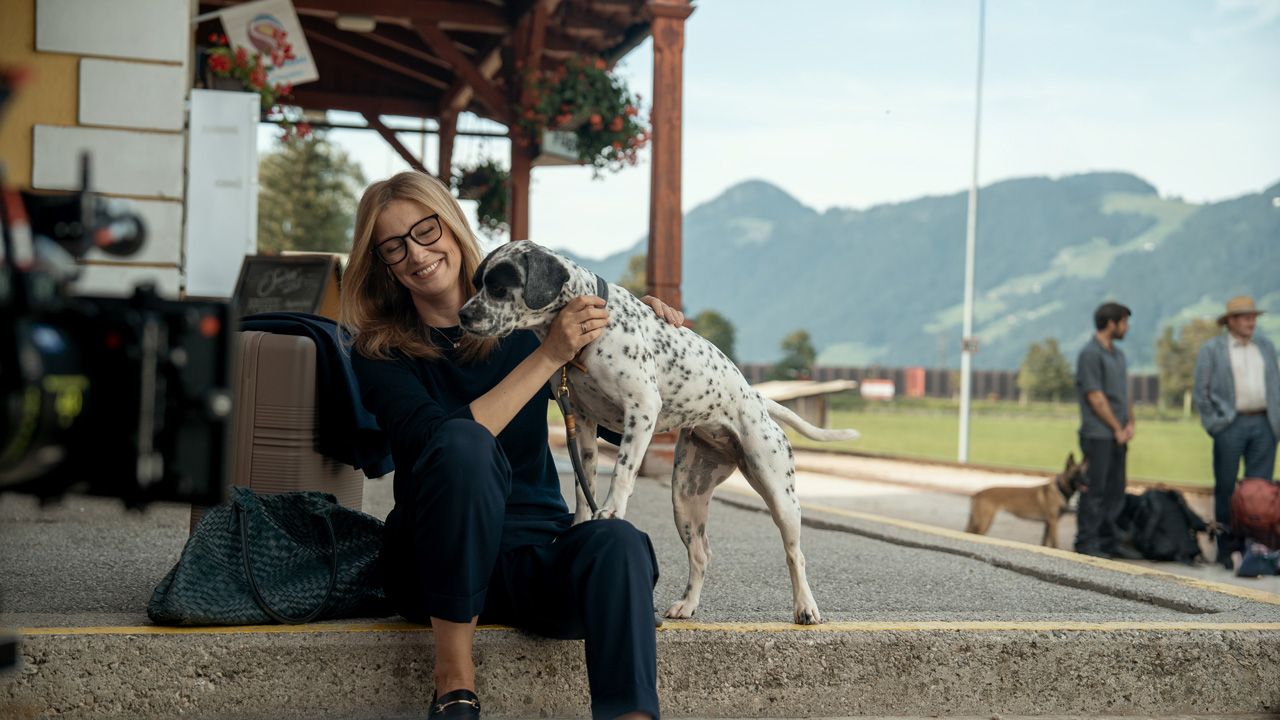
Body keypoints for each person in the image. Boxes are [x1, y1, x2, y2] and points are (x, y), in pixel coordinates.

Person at [340, 171, 683, 719]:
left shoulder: (531, 325)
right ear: (381, 262)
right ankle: (454, 682)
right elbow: (440, 447)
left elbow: (624, 427)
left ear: (452, 228)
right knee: (463, 444)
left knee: (617, 542)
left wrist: (644, 346)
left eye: (426, 230)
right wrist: (547, 356)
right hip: (432, 566)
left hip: (533, 558)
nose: (416, 253)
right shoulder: (377, 352)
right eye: (394, 246)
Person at [1193, 295, 1280, 570]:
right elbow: (1201, 393)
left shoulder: (1265, 347)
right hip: (1229, 425)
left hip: (1264, 425)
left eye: (1253, 317)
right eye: (1245, 317)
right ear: (1230, 321)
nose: (1251, 322)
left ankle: (1256, 551)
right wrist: (1214, 425)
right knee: (1226, 490)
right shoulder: (1212, 349)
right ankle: (1225, 550)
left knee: (1261, 494)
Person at [1073, 302, 1140, 559]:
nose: (1127, 327)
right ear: (1111, 323)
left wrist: (1129, 423)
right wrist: (1115, 427)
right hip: (1098, 433)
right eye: (1124, 322)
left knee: (1115, 490)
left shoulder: (1118, 355)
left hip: (1117, 434)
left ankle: (1109, 541)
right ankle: (1087, 542)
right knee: (1095, 490)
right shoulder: (1090, 354)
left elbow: (1124, 394)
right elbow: (1095, 397)